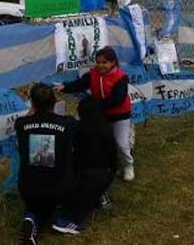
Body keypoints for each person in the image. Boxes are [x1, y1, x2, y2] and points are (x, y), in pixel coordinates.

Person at [54, 46, 135, 181]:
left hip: (120, 114)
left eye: (104, 62)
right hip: (101, 114)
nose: (100, 65)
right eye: (98, 62)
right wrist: (64, 87)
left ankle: (128, 165)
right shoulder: (92, 74)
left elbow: (118, 98)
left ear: (113, 62)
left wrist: (96, 106)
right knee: (102, 141)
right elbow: (79, 84)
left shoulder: (120, 77)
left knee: (121, 143)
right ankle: (108, 165)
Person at [15, 83, 79, 245]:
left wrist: (33, 107)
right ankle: (46, 216)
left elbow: (28, 118)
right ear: (55, 101)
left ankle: (31, 217)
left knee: (37, 204)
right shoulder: (68, 123)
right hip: (60, 188)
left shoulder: (21, 124)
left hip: (27, 187)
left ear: (32, 103)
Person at [63, 97, 117, 226]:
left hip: (83, 173)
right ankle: (101, 193)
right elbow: (113, 156)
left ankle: (93, 195)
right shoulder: (107, 128)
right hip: (105, 173)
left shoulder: (78, 128)